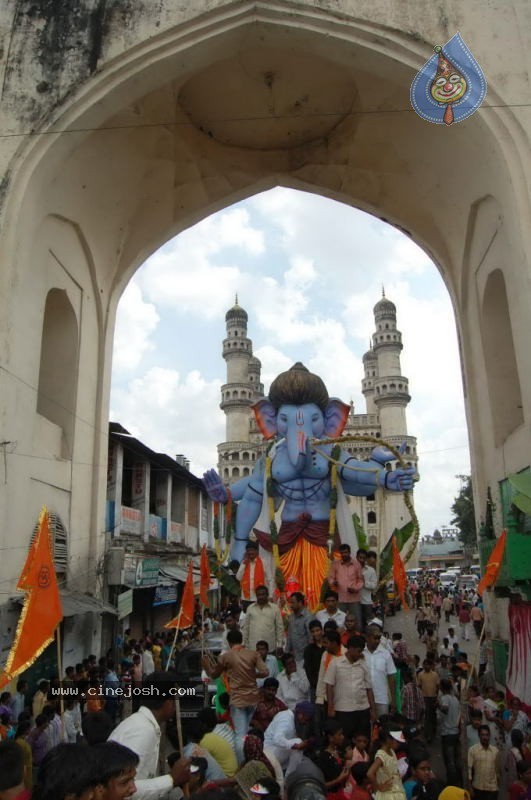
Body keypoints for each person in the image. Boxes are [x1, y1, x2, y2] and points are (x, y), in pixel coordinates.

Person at [108, 671, 192, 795]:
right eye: (175, 699)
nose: (176, 705)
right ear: (168, 701)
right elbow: (125, 792)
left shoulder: (142, 724)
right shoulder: (143, 731)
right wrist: (171, 780)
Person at [202, 629, 269, 763]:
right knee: (245, 731)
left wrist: (206, 666)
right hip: (253, 699)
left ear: (229, 642)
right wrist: (252, 675)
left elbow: (213, 675)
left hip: (238, 701)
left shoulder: (225, 657)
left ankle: (242, 765)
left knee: (240, 735)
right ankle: (252, 759)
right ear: (241, 640)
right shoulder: (253, 654)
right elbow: (265, 672)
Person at [325, 634, 375, 740]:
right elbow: (329, 685)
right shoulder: (335, 663)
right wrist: (330, 706)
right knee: (345, 741)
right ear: (350, 649)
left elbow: (369, 689)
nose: (359, 654)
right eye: (358, 651)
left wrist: (373, 710)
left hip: (362, 709)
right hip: (343, 710)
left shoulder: (363, 665)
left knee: (363, 739)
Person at [263, 701, 314, 777]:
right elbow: (277, 739)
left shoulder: (290, 717)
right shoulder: (286, 719)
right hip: (269, 754)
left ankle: (287, 776)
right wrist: (296, 746)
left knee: (297, 741)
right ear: (300, 715)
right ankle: (289, 778)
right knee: (298, 742)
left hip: (274, 753)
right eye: (306, 720)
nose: (306, 723)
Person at [363, 625, 397, 718]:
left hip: (381, 698)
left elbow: (391, 678)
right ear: (367, 637)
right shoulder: (361, 653)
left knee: (383, 727)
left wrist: (394, 700)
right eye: (375, 638)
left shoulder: (385, 654)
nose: (377, 641)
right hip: (364, 700)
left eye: (379, 638)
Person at [328, 545, 364, 628]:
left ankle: (357, 638)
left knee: (356, 620)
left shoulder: (356, 564)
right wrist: (334, 582)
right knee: (340, 621)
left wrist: (355, 588)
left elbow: (361, 580)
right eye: (342, 553)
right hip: (340, 598)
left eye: (346, 552)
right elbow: (330, 578)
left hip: (354, 598)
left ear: (349, 552)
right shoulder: (336, 564)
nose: (344, 554)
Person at [366, 726, 406, 799]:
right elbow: (369, 773)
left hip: (397, 790)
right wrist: (379, 787)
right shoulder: (381, 755)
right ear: (388, 739)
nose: (399, 743)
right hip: (388, 795)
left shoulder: (392, 751)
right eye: (397, 741)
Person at [197, 708, 238, 777]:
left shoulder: (210, 737)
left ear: (204, 724)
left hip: (226, 775)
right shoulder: (225, 726)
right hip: (234, 768)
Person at [315, 720, 350, 799]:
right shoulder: (323, 758)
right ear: (331, 737)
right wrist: (338, 780)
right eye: (339, 735)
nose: (342, 737)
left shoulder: (339, 751)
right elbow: (320, 785)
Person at [243, 585, 284, 653]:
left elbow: (279, 628)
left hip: (270, 648)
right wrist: (244, 644)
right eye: (259, 595)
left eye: (263, 594)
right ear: (256, 596)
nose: (261, 597)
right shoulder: (250, 608)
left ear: (267, 595)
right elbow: (246, 628)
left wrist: (280, 645)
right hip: (253, 648)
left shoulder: (275, 608)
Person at [438, 678, 462, 786]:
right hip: (455, 732)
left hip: (448, 733)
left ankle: (452, 783)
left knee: (449, 760)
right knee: (456, 759)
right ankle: (459, 780)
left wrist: (438, 705)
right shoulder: (455, 699)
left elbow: (445, 709)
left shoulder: (444, 698)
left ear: (442, 688)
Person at [468, 724, 500, 800]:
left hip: (492, 789)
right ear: (479, 735)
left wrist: (497, 785)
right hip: (478, 788)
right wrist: (469, 788)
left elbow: (498, 771)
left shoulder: (495, 751)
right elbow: (468, 769)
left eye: (487, 735)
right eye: (483, 735)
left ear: (489, 736)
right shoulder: (473, 750)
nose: (485, 737)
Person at [237, 542, 272, 609]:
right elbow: (238, 578)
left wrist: (270, 595)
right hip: (246, 598)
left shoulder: (263, 562)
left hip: (260, 598)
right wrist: (244, 563)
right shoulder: (244, 563)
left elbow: (270, 580)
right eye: (248, 551)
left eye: (252, 550)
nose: (250, 552)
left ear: (257, 551)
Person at [286, 593, 313, 665]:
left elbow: (311, 638)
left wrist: (309, 658)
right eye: (290, 603)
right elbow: (289, 636)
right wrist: (286, 653)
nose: (291, 605)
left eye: (293, 603)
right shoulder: (291, 617)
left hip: (305, 658)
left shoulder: (308, 617)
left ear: (300, 603)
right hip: (293, 658)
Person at [416, 660, 439, 743]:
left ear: (431, 665)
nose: (426, 666)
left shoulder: (435, 674)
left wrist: (437, 697)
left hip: (433, 697)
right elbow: (418, 686)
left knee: (432, 715)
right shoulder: (420, 674)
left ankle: (433, 732)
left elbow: (437, 686)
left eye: (428, 665)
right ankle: (428, 734)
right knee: (427, 716)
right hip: (424, 698)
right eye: (425, 665)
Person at [303, 619, 325, 702]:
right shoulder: (308, 650)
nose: (316, 633)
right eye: (313, 631)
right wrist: (316, 684)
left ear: (322, 630)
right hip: (315, 686)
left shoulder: (328, 647)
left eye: (317, 630)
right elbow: (308, 670)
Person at [359, 551, 378, 630]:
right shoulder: (353, 568)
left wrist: (364, 582)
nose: (361, 560)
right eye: (360, 557)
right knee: (358, 622)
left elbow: (374, 585)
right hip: (354, 601)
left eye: (363, 558)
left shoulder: (371, 570)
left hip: (366, 601)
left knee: (369, 623)